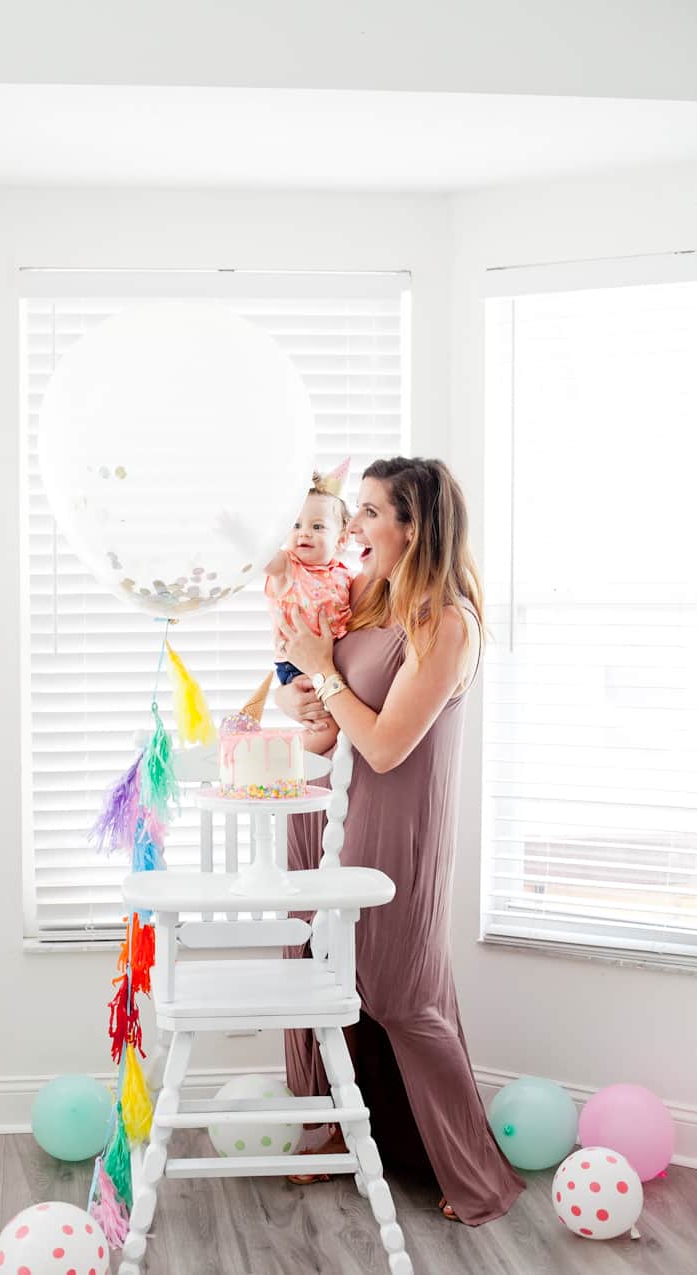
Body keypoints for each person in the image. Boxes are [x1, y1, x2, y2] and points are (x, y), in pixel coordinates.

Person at [275, 456, 525, 1226]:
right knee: (315, 978)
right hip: (322, 814)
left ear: (415, 527)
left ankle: (472, 1173)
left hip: (394, 827)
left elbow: (385, 746)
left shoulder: (446, 623)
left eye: (372, 512)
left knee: (400, 992)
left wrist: (324, 673)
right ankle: (333, 1135)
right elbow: (326, 732)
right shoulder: (366, 597)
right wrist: (301, 690)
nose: (352, 527)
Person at [263, 460, 353, 724]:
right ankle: (295, 763)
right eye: (296, 525)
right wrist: (240, 535)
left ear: (342, 539)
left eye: (317, 527)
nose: (304, 534)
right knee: (324, 725)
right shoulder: (287, 566)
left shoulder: (344, 574)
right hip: (297, 664)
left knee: (338, 720)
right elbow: (260, 557)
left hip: (333, 661)